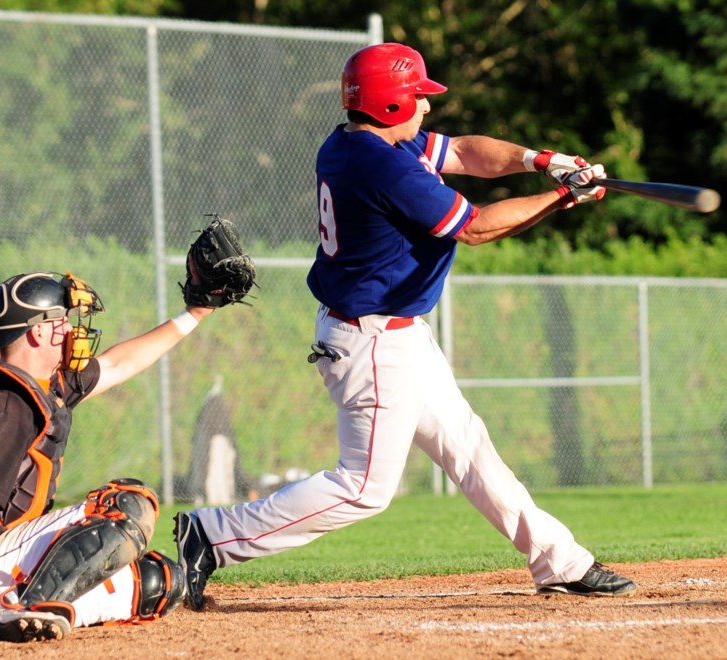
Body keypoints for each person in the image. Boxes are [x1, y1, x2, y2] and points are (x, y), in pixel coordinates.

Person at [173, 42, 635, 610]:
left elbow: (466, 151)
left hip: (397, 334)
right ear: (390, 104)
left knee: (468, 448)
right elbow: (477, 226)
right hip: (370, 342)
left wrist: (543, 162)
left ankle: (559, 560)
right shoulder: (383, 166)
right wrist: (561, 197)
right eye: (417, 97)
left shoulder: (366, 142)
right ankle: (212, 535)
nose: (426, 107)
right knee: (363, 488)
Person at [0, 270, 217, 642]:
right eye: (62, 321)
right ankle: (16, 606)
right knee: (126, 504)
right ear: (38, 333)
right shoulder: (5, 403)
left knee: (157, 580)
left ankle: (15, 612)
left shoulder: (46, 385)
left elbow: (120, 364)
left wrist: (195, 313)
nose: (72, 331)